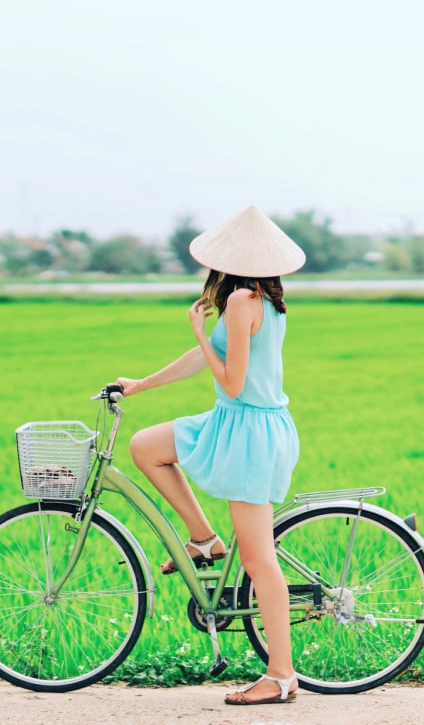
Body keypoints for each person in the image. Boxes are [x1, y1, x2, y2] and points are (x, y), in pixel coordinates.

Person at [115, 205, 304, 706]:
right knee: (146, 447)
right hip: (234, 422)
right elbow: (208, 358)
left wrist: (198, 329)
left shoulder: (243, 301)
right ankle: (204, 540)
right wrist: (140, 385)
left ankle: (282, 675)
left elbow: (233, 379)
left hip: (250, 434)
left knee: (260, 561)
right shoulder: (253, 298)